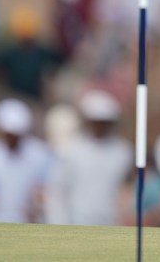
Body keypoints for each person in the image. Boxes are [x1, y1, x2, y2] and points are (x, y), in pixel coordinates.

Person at [45, 89, 133, 226]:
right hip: (77, 221)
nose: (100, 126)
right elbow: (58, 189)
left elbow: (127, 189)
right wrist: (60, 223)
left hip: (110, 223)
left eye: (104, 122)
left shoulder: (122, 152)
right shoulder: (72, 149)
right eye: (96, 121)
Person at [0, 98, 52, 223]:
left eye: (16, 135)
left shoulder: (39, 154)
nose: (13, 139)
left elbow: (46, 188)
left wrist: (39, 202)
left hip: (27, 224)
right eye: (9, 134)